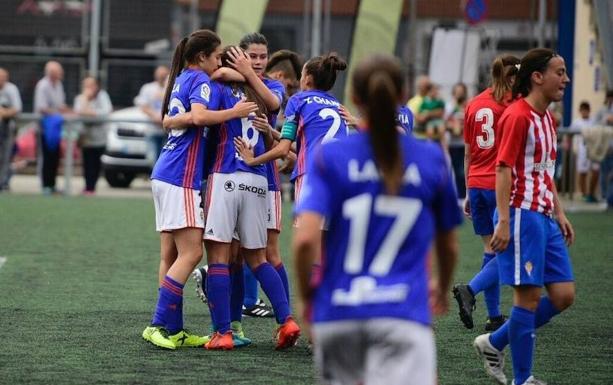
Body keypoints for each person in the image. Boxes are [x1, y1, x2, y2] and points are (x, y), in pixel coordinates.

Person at [293, 54, 461, 385]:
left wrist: (307, 298)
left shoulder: (331, 156)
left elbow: (306, 241)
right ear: (402, 98)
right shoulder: (430, 159)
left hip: (340, 310)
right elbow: (449, 245)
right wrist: (441, 288)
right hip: (403, 312)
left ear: (354, 99)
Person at [141, 29, 258, 350]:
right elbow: (202, 116)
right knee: (192, 253)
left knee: (172, 254)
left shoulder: (181, 77)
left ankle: (174, 329)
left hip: (166, 172)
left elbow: (177, 118)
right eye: (217, 55)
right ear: (202, 57)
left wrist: (181, 118)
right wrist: (234, 112)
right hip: (181, 175)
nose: (221, 62)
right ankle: (156, 324)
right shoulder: (200, 80)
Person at [474, 48, 575, 385]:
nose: (566, 79)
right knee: (527, 300)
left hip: (545, 216)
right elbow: (503, 169)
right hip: (523, 215)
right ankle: (523, 378)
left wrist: (559, 212)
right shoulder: (517, 115)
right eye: (559, 72)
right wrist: (503, 220)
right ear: (537, 77)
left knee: (563, 296)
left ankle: (494, 341)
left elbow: (544, 171)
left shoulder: (546, 117)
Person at [197, 45, 300, 351]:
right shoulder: (266, 89)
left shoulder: (222, 87)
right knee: (257, 258)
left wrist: (228, 72)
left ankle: (223, 333)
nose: (255, 62)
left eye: (259, 57)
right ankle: (286, 320)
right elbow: (271, 102)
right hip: (258, 180)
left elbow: (206, 115)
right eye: (249, 57)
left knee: (219, 258)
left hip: (226, 175)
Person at [452, 55, 520, 332]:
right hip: (501, 184)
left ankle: (493, 316)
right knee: (509, 252)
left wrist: (468, 190)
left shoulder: (474, 103)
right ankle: (470, 289)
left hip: (477, 185)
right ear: (512, 78)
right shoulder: (513, 106)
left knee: (491, 249)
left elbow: (468, 153)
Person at [34, 61, 71, 195]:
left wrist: (67, 111)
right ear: (51, 73)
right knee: (46, 156)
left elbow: (60, 105)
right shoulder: (42, 86)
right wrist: (57, 113)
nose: (61, 74)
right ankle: (45, 185)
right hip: (44, 127)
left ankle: (52, 184)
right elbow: (42, 107)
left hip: (55, 127)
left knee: (55, 156)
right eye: (58, 72)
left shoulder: (59, 85)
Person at [73, 76, 113, 195]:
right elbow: (79, 113)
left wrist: (89, 114)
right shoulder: (80, 98)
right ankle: (88, 187)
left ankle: (92, 187)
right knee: (87, 164)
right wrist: (85, 100)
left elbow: (105, 113)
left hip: (100, 138)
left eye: (91, 85)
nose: (88, 88)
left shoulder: (103, 96)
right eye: (86, 85)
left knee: (96, 164)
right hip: (86, 138)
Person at [134, 65, 169, 160]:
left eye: (164, 74)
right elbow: (143, 105)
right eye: (160, 74)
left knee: (165, 159)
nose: (162, 77)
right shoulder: (148, 88)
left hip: (167, 130)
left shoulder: (172, 88)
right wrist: (156, 117)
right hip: (152, 129)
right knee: (153, 158)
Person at [571, 101, 599, 202]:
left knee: (596, 171)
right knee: (582, 172)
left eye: (586, 110)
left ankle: (591, 193)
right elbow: (570, 135)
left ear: (589, 111)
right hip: (581, 149)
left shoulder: (594, 121)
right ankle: (584, 194)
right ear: (580, 111)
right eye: (582, 110)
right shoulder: (576, 122)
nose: (584, 112)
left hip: (593, 149)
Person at [0, 68, 22, 192]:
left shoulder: (11, 89)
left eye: (3, 77)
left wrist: (4, 112)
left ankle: (3, 183)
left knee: (6, 156)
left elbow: (17, 108)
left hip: (7, 128)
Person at [446, 82, 468, 197]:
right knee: (450, 172)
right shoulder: (449, 106)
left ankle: (463, 196)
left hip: (463, 144)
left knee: (461, 172)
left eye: (461, 92)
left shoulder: (467, 105)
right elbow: (444, 122)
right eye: (457, 91)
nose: (459, 94)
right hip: (451, 143)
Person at [595, 90, 613, 208]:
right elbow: (595, 125)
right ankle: (604, 198)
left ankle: (610, 199)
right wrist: (606, 120)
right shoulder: (602, 111)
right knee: (604, 173)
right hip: (606, 148)